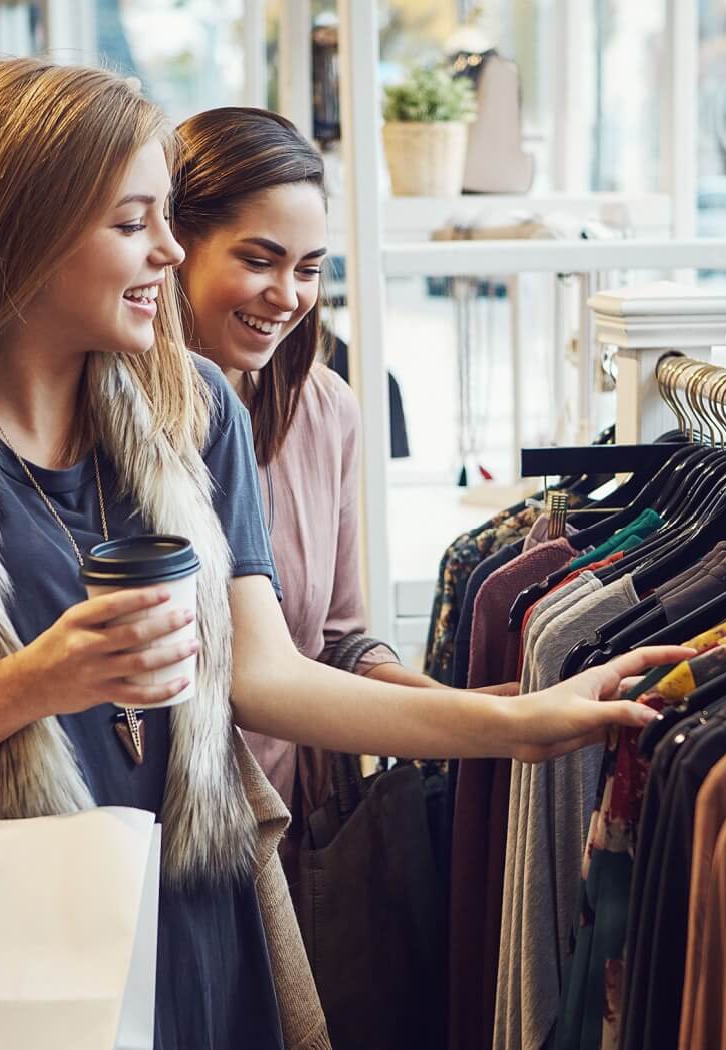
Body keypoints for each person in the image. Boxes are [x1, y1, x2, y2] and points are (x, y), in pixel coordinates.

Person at [0, 57, 681, 1050]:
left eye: (166, 217)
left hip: (199, 915)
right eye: (132, 223)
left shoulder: (193, 410)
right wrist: (37, 681)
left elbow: (266, 677)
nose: (168, 251)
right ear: (19, 230)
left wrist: (519, 721)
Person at [171, 106, 505, 813]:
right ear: (176, 244)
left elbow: (338, 642)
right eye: (258, 260)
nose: (288, 296)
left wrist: (471, 710)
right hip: (146, 832)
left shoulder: (325, 411)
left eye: (309, 269)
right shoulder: (109, 418)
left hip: (283, 824)